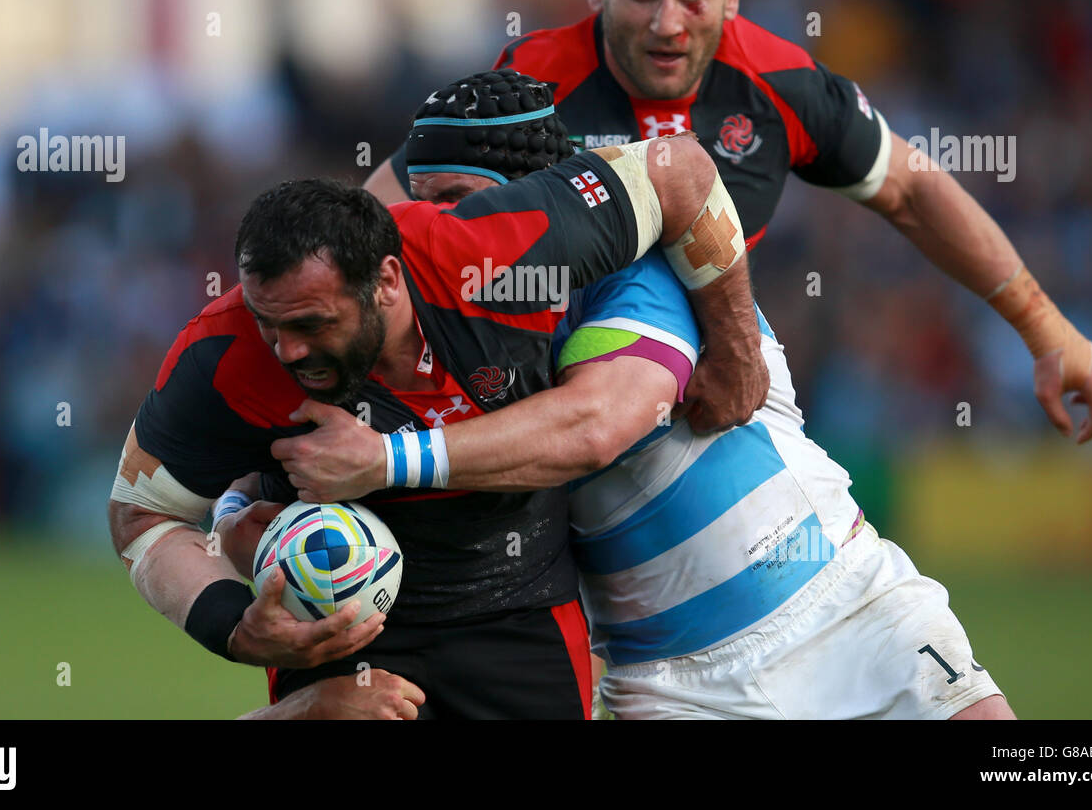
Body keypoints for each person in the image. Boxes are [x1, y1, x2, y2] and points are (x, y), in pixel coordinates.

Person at [277, 70, 1011, 719]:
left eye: (462, 203)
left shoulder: (644, 272)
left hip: (844, 607)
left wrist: (386, 459)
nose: (441, 232)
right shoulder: (437, 333)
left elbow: (599, 423)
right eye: (426, 206)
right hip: (670, 685)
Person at [364, 0, 1092, 447]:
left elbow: (916, 191)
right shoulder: (527, 82)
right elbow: (386, 214)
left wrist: (1047, 329)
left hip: (715, 400)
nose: (668, 21)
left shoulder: (782, 84)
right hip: (550, 413)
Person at [107, 73, 760, 719]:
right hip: (336, 637)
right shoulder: (223, 351)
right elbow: (140, 515)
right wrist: (235, 628)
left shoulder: (493, 255)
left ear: (387, 282)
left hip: (519, 614)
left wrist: (734, 348)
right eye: (267, 322)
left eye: (312, 325)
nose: (287, 351)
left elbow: (681, 170)